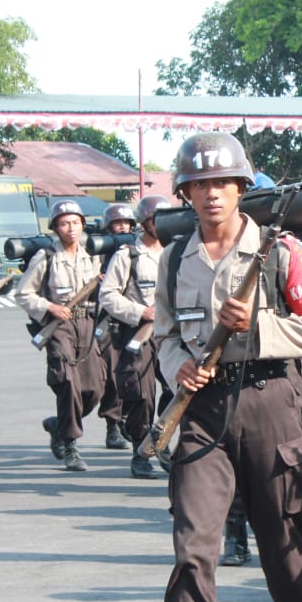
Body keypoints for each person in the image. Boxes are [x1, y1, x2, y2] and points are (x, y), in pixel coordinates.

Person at [156, 131, 302, 602]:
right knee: (192, 542)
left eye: (222, 184)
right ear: (186, 193)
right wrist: (176, 368)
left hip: (269, 401)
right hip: (202, 410)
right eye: (200, 184)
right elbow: (165, 336)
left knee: (283, 541)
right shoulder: (172, 261)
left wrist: (257, 328)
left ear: (240, 187)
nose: (211, 194)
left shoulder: (281, 253)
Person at [15, 199, 105, 472]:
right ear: (55, 227)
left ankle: (59, 424)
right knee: (67, 383)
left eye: (75, 223)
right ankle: (70, 446)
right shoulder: (46, 257)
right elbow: (23, 293)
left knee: (94, 388)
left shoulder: (93, 254)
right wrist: (50, 307)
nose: (71, 228)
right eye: (64, 223)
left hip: (87, 323)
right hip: (58, 327)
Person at [99, 196, 171, 479]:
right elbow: (108, 295)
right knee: (141, 396)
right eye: (157, 220)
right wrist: (141, 311)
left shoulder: (176, 251)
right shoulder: (127, 255)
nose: (163, 226)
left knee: (176, 390)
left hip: (170, 335)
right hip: (136, 334)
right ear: (143, 223)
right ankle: (139, 454)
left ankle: (161, 442)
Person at [95, 202, 138, 451]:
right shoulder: (97, 252)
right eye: (116, 224)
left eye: (125, 223)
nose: (121, 227)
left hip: (134, 319)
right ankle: (113, 424)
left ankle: (128, 421)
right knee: (111, 374)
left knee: (135, 375)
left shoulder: (136, 252)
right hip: (106, 321)